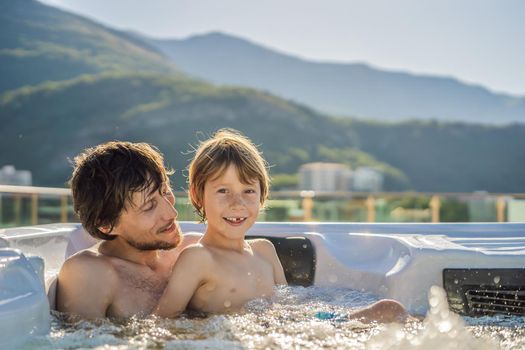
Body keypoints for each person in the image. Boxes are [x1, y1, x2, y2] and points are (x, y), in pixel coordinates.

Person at [155, 129, 407, 323]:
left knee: (391, 311)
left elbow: (288, 307)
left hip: (288, 330)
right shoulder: (198, 258)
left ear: (262, 196)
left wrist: (328, 320)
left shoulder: (264, 251)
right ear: (198, 196)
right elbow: (162, 324)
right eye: (223, 190)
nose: (237, 203)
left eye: (248, 191)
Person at [56, 141, 198, 318]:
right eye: (149, 207)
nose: (172, 213)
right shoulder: (90, 274)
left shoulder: (194, 251)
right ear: (107, 225)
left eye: (165, 192)